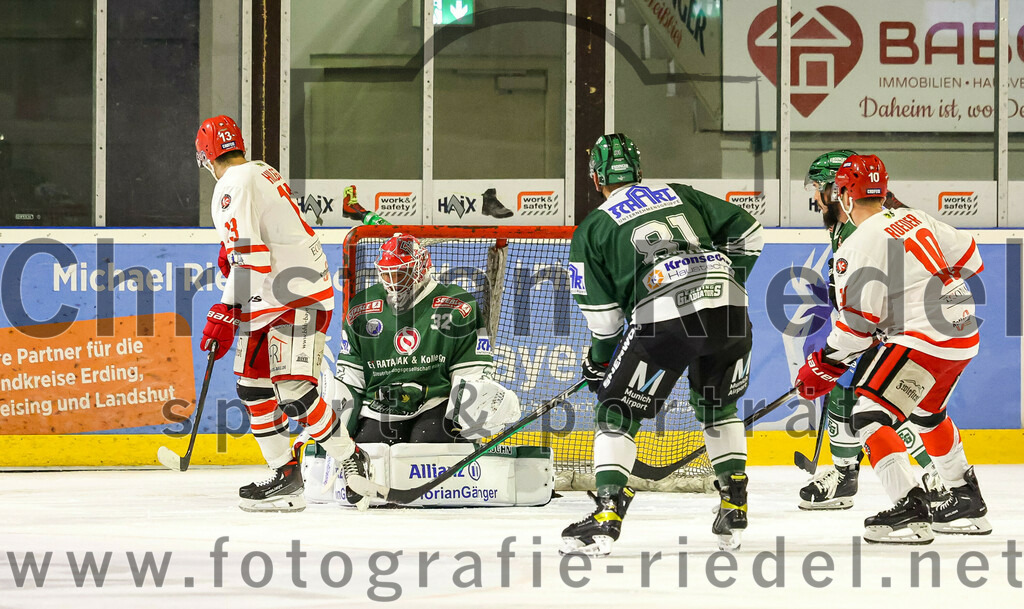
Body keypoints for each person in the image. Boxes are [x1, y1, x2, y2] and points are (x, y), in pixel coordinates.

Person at [561, 133, 763, 555]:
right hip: (730, 312)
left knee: (615, 414)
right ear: (638, 171)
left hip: (664, 317)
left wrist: (599, 366)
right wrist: (721, 282)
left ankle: (606, 515)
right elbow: (750, 231)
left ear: (596, 178)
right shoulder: (679, 193)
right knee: (717, 406)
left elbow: (606, 324)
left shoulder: (593, 228)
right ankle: (734, 504)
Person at [796, 154, 991, 544]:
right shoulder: (915, 217)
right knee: (927, 414)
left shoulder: (859, 242)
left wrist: (823, 364)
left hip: (924, 338)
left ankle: (910, 508)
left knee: (868, 413)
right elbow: (972, 257)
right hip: (963, 331)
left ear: (845, 196)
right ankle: (965, 498)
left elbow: (857, 326)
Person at [195, 115, 370, 512]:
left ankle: (348, 458)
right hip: (279, 292)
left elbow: (251, 259)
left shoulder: (230, 184)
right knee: (252, 387)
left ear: (206, 156)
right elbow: (269, 232)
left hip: (294, 296)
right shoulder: (260, 170)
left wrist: (224, 311)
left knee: (293, 391)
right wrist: (233, 253)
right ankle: (285, 476)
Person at [798, 150, 944, 510]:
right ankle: (845, 476)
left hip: (898, 334)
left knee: (884, 403)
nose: (813, 196)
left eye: (818, 187)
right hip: (874, 328)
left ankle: (934, 475)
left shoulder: (863, 228)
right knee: (843, 391)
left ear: (836, 191)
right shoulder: (844, 225)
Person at [336, 233, 513, 446]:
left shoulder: (457, 306)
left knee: (428, 441)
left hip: (437, 403)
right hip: (382, 408)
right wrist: (336, 434)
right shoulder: (362, 309)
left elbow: (470, 373)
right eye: (388, 275)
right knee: (371, 447)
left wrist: (470, 422)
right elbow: (351, 380)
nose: (393, 283)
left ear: (421, 268)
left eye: (401, 273)